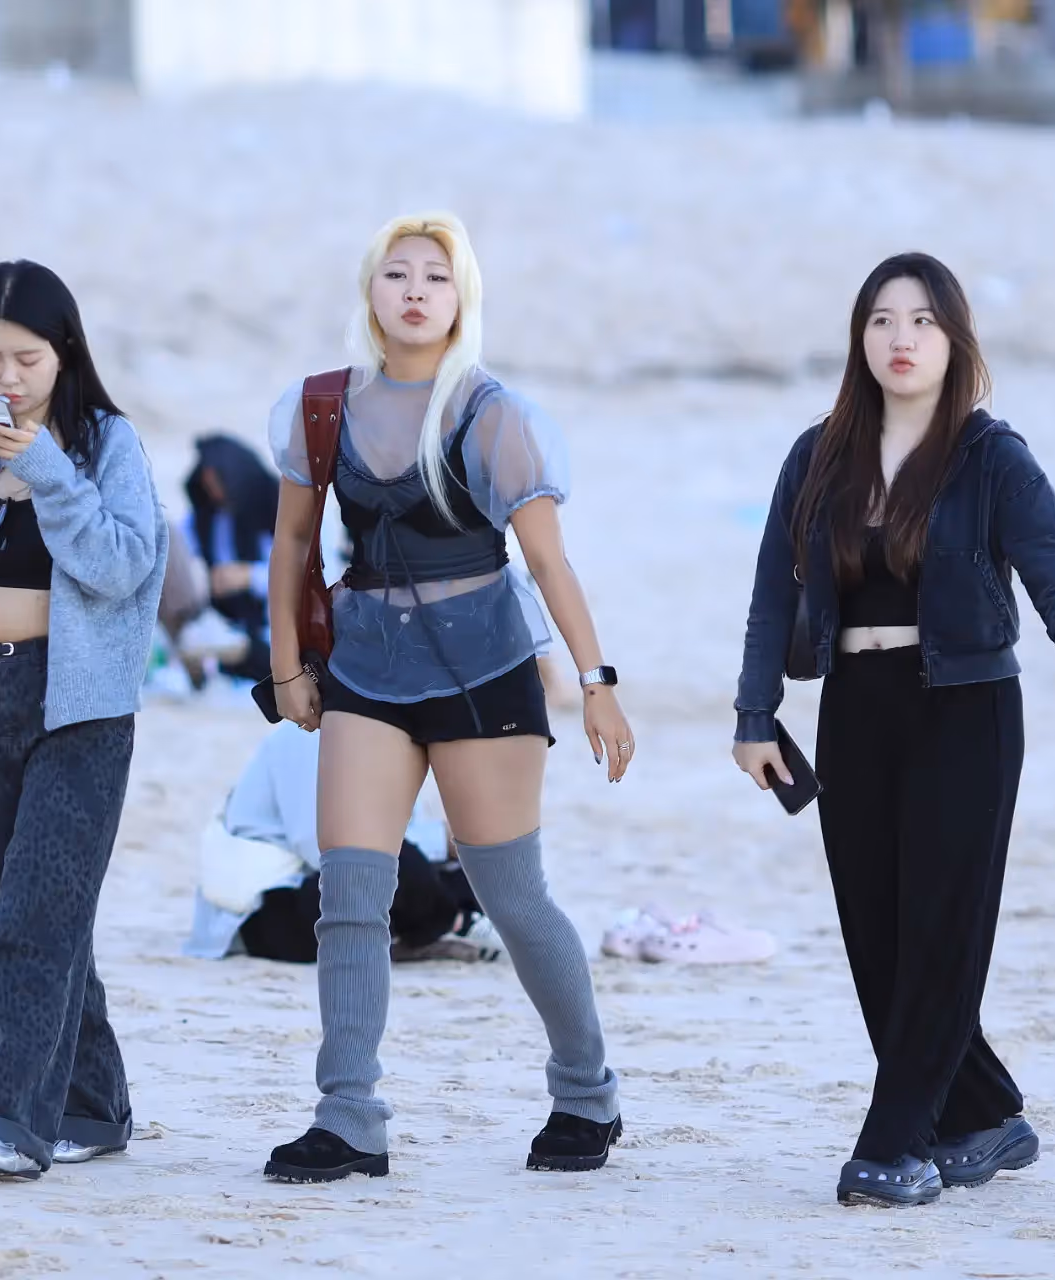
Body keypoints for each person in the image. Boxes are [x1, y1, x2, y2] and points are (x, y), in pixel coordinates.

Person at [731, 253, 1055, 1208]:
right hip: (855, 705)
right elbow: (774, 593)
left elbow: (1053, 567)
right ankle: (989, 1111)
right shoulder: (818, 456)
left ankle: (895, 1138)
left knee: (939, 926)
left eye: (922, 321)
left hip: (966, 710)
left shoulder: (990, 457)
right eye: (882, 320)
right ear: (860, 337)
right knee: (876, 935)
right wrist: (756, 715)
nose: (900, 339)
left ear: (955, 340)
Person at [260, 212, 634, 1182]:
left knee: (512, 895)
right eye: (397, 273)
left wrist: (597, 685)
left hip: (483, 673)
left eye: (436, 274)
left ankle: (586, 1092)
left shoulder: (489, 412)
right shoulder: (322, 408)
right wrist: (286, 665)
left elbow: (547, 558)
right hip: (367, 671)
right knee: (350, 894)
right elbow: (294, 545)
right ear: (370, 292)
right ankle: (349, 1117)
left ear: (461, 298)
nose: (416, 289)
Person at [0, 260, 167, 1181]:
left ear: (65, 354)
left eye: (25, 359)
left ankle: (5, 1122)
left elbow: (124, 567)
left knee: (34, 921)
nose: (6, 380)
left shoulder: (106, 445)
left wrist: (45, 467)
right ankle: (92, 1106)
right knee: (14, 921)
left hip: (80, 707)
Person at [183, 724, 502, 964]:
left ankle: (439, 925)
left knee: (481, 860)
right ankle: (456, 924)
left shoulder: (387, 736)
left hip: (330, 886)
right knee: (398, 864)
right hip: (267, 911)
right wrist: (441, 840)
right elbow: (323, 843)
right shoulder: (309, 732)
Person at [181, 434, 280, 682]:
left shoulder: (274, 510)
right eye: (207, 483)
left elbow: (308, 575)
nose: (213, 491)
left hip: (271, 626)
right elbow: (184, 556)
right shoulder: (205, 518)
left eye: (218, 481)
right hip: (221, 622)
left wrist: (248, 576)